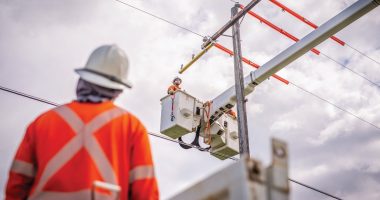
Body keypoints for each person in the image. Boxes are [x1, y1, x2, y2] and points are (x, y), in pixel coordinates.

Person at [5, 44, 159, 200]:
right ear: (117, 90)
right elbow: (145, 193)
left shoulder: (42, 123)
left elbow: (16, 186)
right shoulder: (132, 127)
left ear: (83, 80)